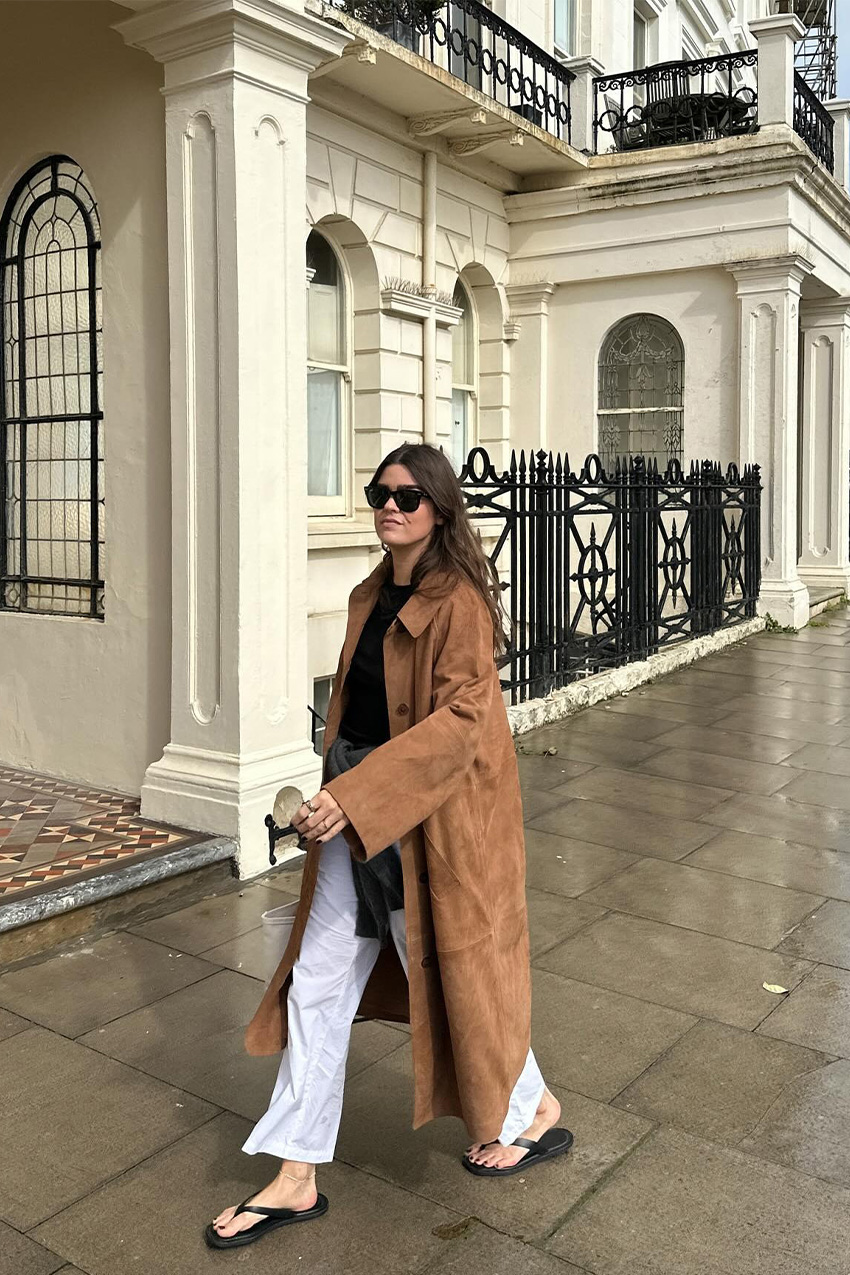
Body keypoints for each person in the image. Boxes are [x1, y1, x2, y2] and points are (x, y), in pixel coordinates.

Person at [206, 443, 573, 1250]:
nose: (390, 506)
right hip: (354, 811)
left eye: (408, 496)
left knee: (447, 971)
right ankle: (295, 1173)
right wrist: (334, 793)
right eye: (380, 492)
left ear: (439, 509)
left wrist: (357, 795)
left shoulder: (461, 603)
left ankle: (532, 1108)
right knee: (318, 980)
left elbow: (461, 724)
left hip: (427, 823)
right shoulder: (370, 591)